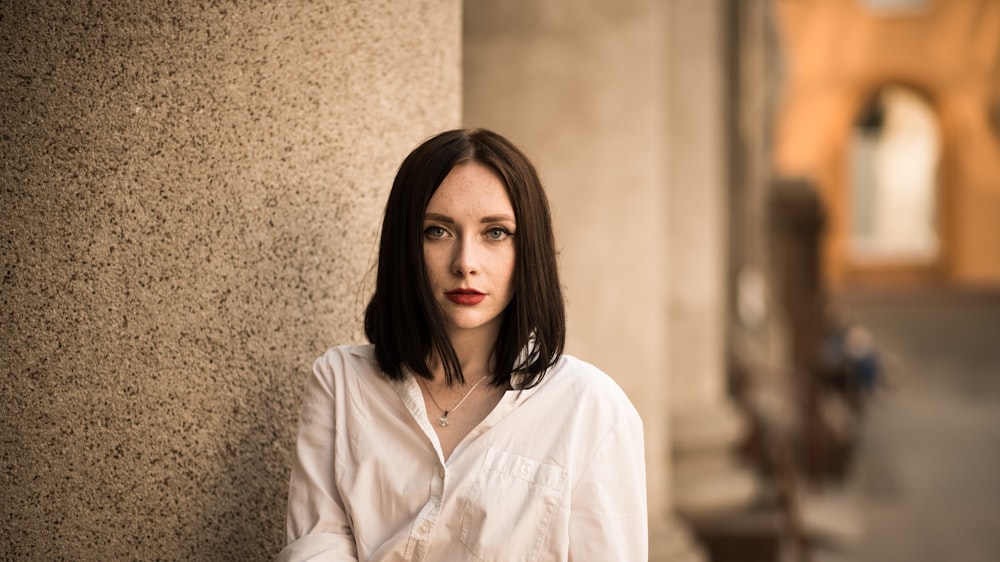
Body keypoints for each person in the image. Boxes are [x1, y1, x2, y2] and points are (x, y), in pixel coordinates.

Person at [279, 128, 647, 561]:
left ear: (528, 248)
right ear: (405, 246)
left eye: (495, 233)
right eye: (437, 231)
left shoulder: (591, 408)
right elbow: (315, 549)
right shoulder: (341, 383)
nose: (465, 263)